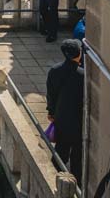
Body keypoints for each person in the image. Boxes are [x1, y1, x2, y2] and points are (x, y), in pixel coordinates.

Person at [46, 39, 84, 185]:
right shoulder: (82, 75)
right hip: (78, 121)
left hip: (61, 118)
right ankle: (77, 184)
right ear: (78, 54)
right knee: (77, 155)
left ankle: (52, 177)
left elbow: (51, 94)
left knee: (61, 150)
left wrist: (51, 111)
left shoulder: (55, 71)